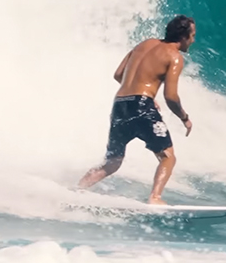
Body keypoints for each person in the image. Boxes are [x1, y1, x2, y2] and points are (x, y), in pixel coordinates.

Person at [78, 16, 196, 204]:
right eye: (192, 36)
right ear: (183, 37)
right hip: (142, 106)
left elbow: (118, 74)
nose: (193, 40)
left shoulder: (145, 44)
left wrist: (140, 92)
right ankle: (155, 198)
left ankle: (77, 189)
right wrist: (184, 118)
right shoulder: (174, 56)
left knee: (112, 161)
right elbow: (171, 97)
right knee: (168, 157)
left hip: (120, 103)